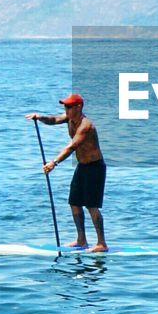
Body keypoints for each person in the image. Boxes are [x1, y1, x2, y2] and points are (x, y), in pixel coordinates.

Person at [25, 94, 107, 251]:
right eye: (65, 107)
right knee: (74, 203)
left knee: (91, 206)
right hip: (82, 167)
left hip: (95, 168)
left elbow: (72, 146)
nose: (66, 110)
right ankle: (81, 240)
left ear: (78, 107)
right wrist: (39, 117)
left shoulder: (86, 125)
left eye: (69, 107)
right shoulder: (69, 119)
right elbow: (54, 120)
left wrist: (53, 163)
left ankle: (102, 243)